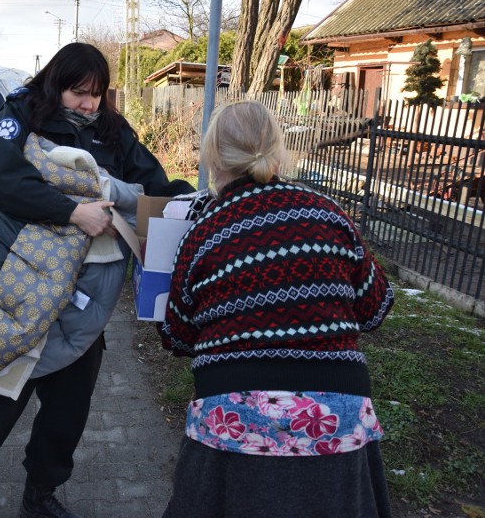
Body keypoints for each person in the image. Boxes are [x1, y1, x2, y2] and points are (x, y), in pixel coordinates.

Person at [0, 42, 195, 518]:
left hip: (82, 299)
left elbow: (153, 182)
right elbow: (0, 176)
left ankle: (40, 494)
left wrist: (195, 202)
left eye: (97, 93)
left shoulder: (111, 128)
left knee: (67, 414)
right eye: (78, 93)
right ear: (55, 82)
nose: (89, 104)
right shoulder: (20, 113)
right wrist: (73, 212)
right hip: (16, 288)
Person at [158, 101, 395, 518]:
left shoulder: (203, 234)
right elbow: (375, 309)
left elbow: (175, 335)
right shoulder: (328, 213)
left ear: (213, 156)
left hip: (233, 420)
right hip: (336, 417)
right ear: (276, 148)